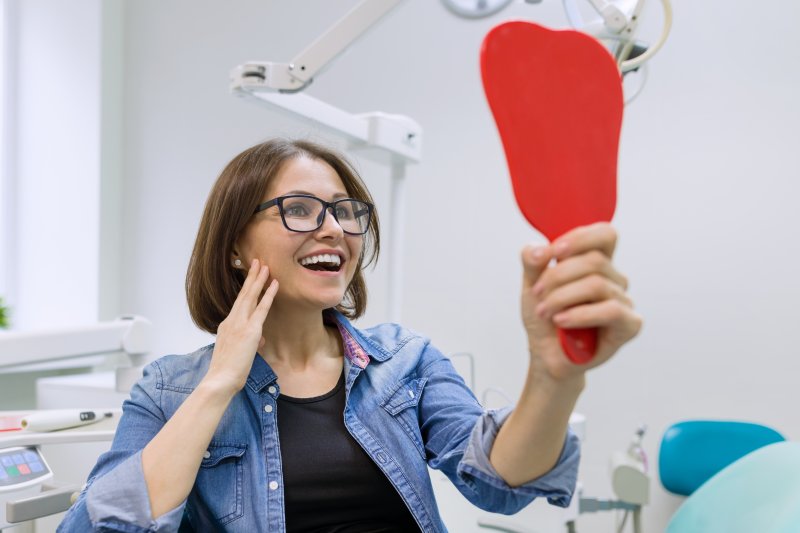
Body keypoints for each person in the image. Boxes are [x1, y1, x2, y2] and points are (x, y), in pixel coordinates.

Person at [58, 138, 641, 532]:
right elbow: (101, 524)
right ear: (235, 246)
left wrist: (554, 377)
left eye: (344, 211)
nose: (334, 229)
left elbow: (500, 482)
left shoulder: (404, 361)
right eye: (301, 209)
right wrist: (219, 384)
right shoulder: (170, 390)